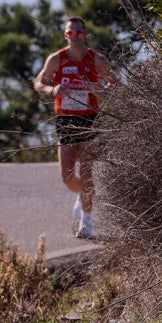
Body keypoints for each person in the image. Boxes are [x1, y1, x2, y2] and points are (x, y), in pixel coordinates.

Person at [34, 16, 115, 238]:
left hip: (89, 118)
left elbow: (113, 82)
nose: (75, 36)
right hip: (66, 119)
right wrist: (52, 91)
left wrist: (104, 89)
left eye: (79, 33)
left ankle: (86, 223)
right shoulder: (57, 59)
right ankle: (81, 195)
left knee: (87, 173)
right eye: (71, 33)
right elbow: (39, 83)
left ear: (85, 34)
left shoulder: (97, 59)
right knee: (67, 176)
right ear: (66, 36)